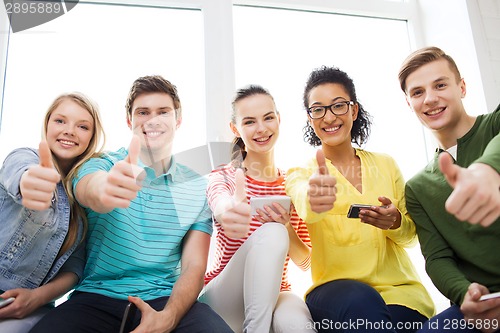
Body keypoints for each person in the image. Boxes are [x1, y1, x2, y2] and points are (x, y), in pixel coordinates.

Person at [29, 75, 232, 333]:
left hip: (164, 299)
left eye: (163, 111)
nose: (153, 119)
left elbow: (194, 266)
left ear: (178, 119)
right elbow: (90, 189)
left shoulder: (195, 187)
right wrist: (107, 189)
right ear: (130, 121)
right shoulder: (100, 164)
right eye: (143, 112)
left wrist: (168, 317)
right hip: (95, 298)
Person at [285, 66, 435, 333]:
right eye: (318, 109)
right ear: (310, 119)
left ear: (354, 110)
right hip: (335, 292)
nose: (329, 116)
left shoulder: (386, 164)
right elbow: (308, 208)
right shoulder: (301, 173)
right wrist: (316, 199)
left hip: (399, 292)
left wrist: (395, 222)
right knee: (360, 300)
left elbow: (410, 236)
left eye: (338, 106)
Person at [398, 46, 500, 333]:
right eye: (417, 92)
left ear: (462, 87)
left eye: (440, 85)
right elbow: (438, 257)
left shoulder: (495, 126)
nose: (430, 98)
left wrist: (488, 169)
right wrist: (465, 294)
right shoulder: (418, 188)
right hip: (485, 305)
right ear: (409, 104)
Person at [200, 84, 315, 333]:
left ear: (279, 120)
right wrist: (229, 210)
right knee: (272, 232)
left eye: (268, 118)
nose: (261, 129)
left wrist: (286, 226)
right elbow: (219, 202)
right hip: (225, 295)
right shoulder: (225, 176)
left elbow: (306, 263)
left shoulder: (292, 184)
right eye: (250, 122)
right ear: (235, 129)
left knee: (296, 325)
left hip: (277, 293)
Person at [0, 92, 106, 332]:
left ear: (91, 137)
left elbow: (74, 269)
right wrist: (29, 184)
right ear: (47, 124)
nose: (69, 130)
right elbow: (19, 173)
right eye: (60, 121)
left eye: (82, 126)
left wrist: (36, 298)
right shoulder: (25, 156)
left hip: (33, 306)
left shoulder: (83, 196)